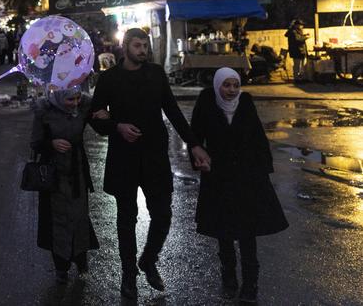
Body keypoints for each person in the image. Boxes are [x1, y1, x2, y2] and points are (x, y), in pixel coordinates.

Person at [91, 28, 210, 300]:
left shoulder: (155, 74)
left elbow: (172, 110)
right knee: (126, 220)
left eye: (145, 46)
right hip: (124, 158)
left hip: (155, 156)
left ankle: (148, 259)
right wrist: (116, 125)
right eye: (137, 45)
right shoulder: (109, 79)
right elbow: (94, 116)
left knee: (163, 215)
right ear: (125, 47)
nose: (143, 50)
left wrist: (194, 144)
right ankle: (128, 275)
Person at [190, 68, 288, 303]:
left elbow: (257, 137)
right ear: (217, 86)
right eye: (227, 85)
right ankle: (228, 275)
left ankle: (250, 285)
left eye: (235, 85)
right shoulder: (206, 102)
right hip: (218, 177)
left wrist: (263, 171)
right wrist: (198, 159)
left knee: (247, 233)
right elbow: (195, 138)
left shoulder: (245, 103)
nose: (231, 90)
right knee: (223, 231)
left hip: (247, 178)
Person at [31, 86, 102, 284]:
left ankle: (80, 259)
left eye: (78, 98)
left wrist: (103, 115)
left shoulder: (83, 108)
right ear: (60, 98)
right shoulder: (44, 111)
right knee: (57, 220)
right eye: (70, 100)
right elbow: (35, 143)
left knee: (79, 216)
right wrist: (51, 144)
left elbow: (100, 125)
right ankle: (61, 267)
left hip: (77, 171)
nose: (75, 104)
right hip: (53, 175)